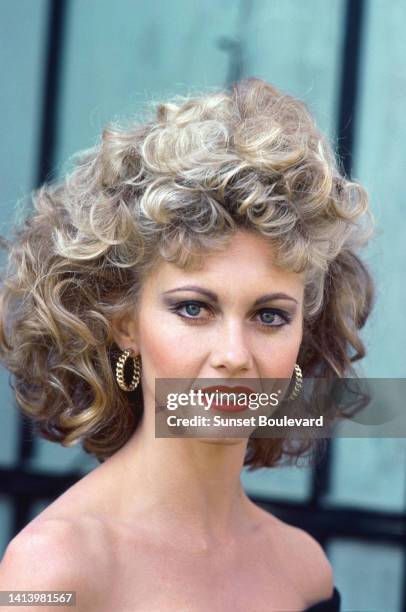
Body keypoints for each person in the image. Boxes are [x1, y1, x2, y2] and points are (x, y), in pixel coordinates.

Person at [0, 77, 374, 611]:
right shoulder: (53, 571)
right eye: (194, 308)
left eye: (269, 316)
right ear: (123, 322)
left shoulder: (303, 569)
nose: (234, 354)